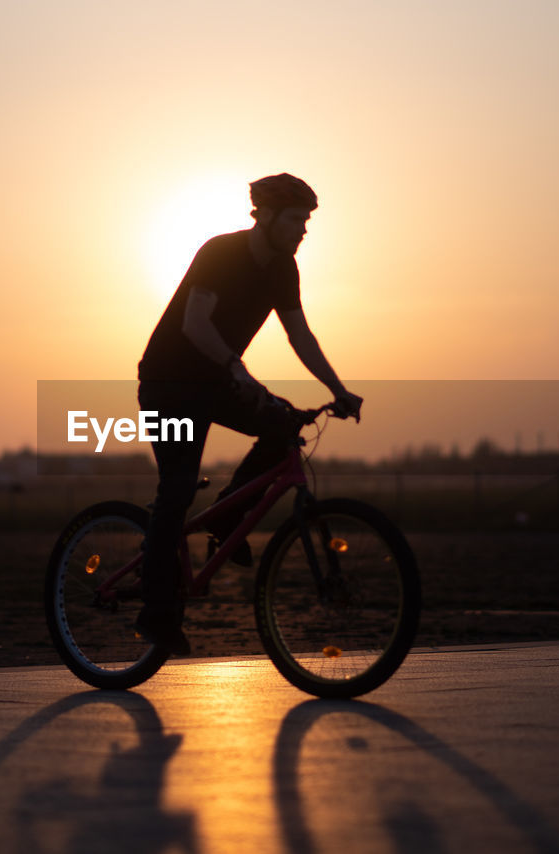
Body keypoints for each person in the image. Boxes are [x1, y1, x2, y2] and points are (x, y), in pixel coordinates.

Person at [134, 173, 363, 654]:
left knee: (284, 430)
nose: (303, 230)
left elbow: (300, 335)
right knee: (175, 490)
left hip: (216, 381)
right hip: (169, 386)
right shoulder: (222, 253)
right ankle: (156, 616)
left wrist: (339, 390)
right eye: (296, 219)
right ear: (266, 217)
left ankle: (224, 521)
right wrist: (237, 369)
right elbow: (195, 325)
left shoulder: (283, 269)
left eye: (307, 221)